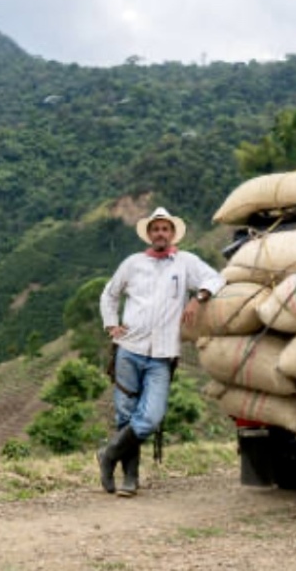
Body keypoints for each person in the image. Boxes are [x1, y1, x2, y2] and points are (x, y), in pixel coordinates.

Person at [98, 206, 224, 497]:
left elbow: (215, 278)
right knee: (126, 416)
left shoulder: (185, 263)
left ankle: (108, 454)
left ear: (172, 234)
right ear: (149, 234)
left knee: (151, 416)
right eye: (155, 229)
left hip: (163, 355)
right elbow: (110, 293)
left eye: (165, 229)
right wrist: (111, 325)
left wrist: (198, 298)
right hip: (129, 349)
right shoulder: (132, 263)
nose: (160, 234)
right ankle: (130, 479)